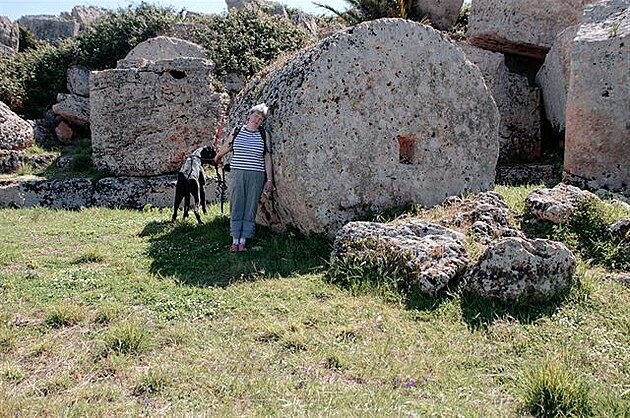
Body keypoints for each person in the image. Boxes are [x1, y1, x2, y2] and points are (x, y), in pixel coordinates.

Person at [214, 103, 276, 252]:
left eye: (261, 119)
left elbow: (267, 157)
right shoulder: (237, 131)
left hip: (256, 174)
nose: (257, 120)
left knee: (250, 206)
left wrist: (269, 179)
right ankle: (235, 239)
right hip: (237, 173)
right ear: (250, 115)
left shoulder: (264, 134)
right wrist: (218, 156)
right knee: (237, 203)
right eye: (256, 116)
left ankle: (243, 240)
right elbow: (228, 146)